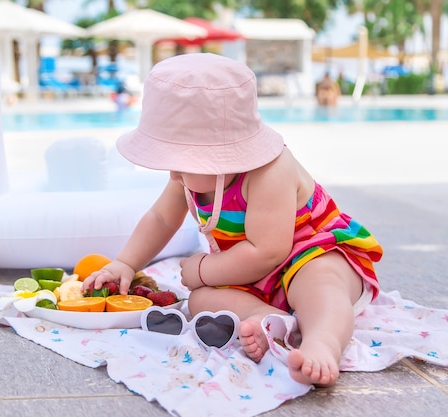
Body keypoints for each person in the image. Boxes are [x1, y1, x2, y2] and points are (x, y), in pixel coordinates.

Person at [82, 53, 383, 387]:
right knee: (200, 300)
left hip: (312, 251)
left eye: (180, 160)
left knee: (321, 285)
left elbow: (268, 251)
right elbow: (160, 218)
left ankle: (323, 343)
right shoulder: (188, 177)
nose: (172, 172)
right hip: (252, 273)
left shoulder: (271, 170)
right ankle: (267, 317)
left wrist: (201, 270)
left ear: (218, 155)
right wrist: (125, 262)